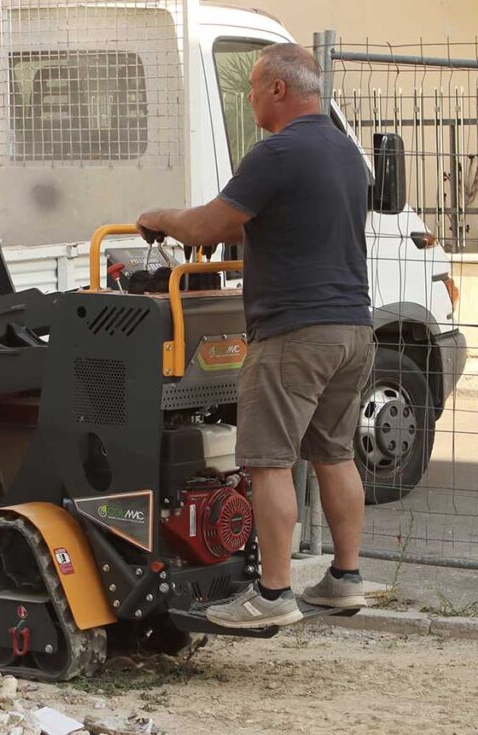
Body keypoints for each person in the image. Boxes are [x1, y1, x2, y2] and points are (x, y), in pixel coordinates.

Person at [137, 42, 373, 629]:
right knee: (335, 454)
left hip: (294, 331)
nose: (250, 99)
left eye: (253, 88)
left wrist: (158, 218)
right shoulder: (346, 152)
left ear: (277, 90)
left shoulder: (276, 152)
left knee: (268, 462)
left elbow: (206, 225)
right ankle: (345, 578)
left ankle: (272, 594)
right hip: (353, 326)